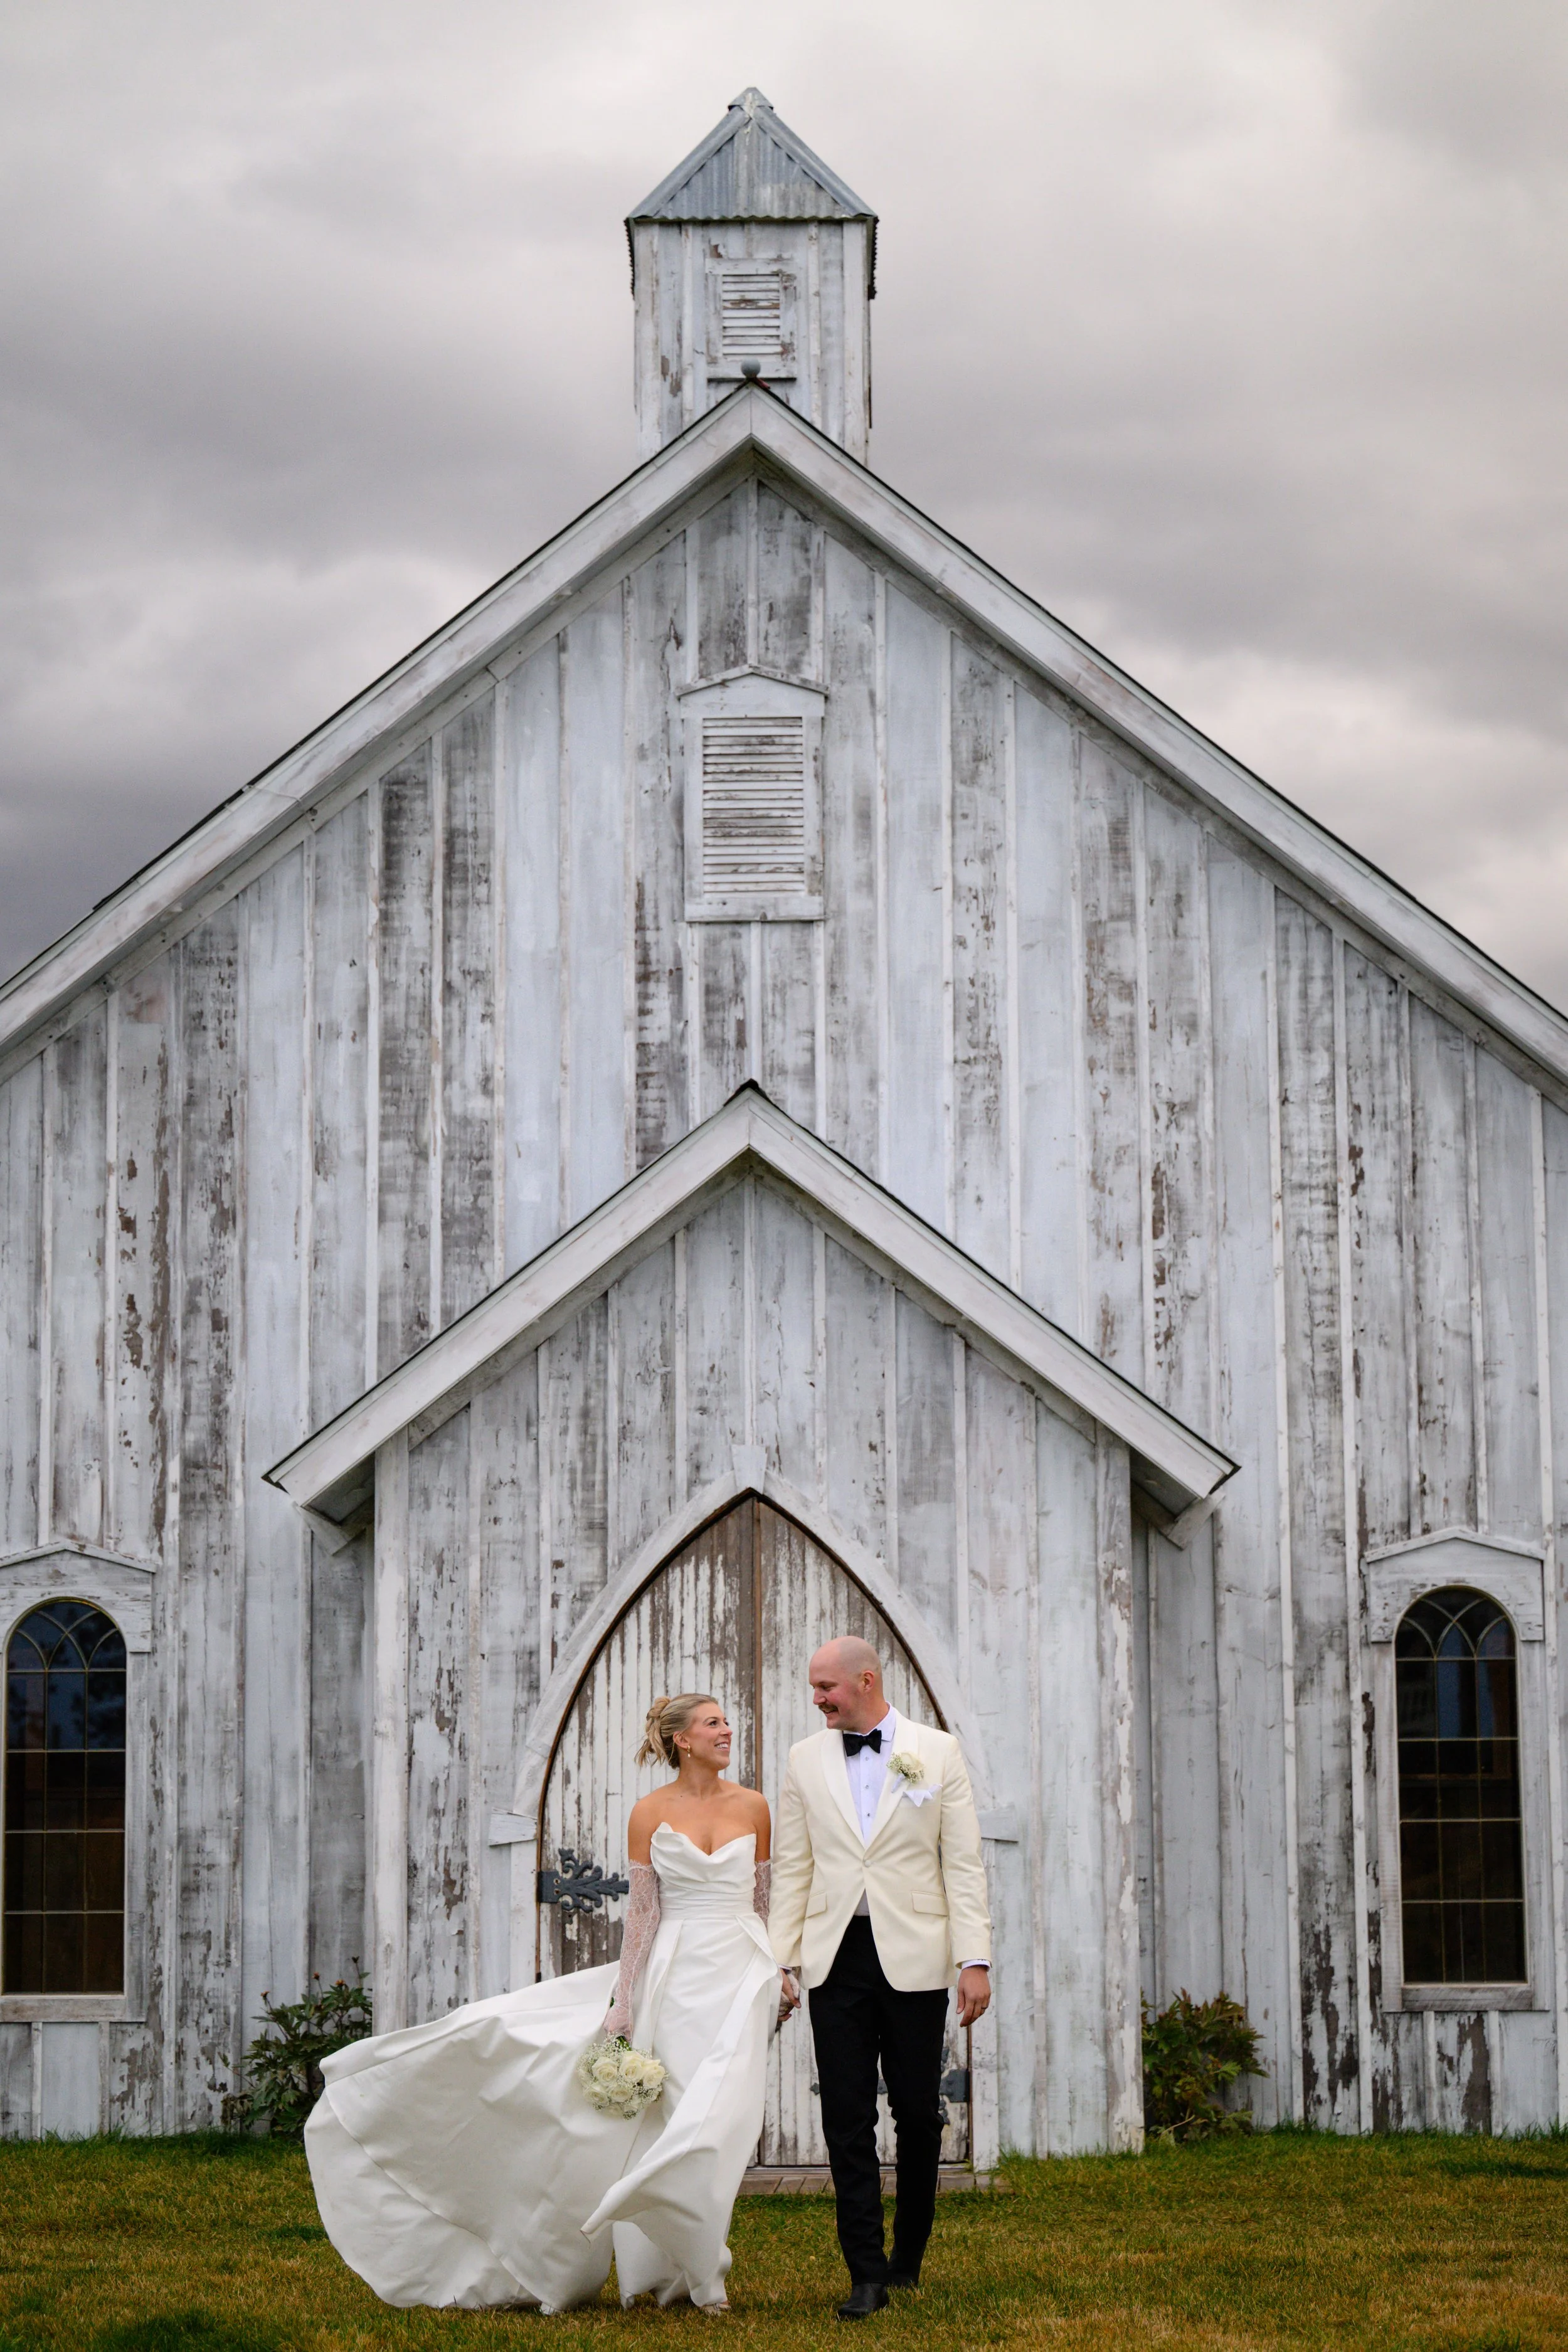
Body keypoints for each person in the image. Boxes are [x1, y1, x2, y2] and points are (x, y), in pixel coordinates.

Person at [305, 1693, 793, 2313]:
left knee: (723, 2123)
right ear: (682, 1741)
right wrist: (623, 2001)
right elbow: (643, 1913)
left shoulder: (753, 1806)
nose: (728, 1731)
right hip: (676, 1975)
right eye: (713, 1724)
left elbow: (763, 1898)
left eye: (725, 1722)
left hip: (740, 1970)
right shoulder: (648, 1812)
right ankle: (688, 2277)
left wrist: (778, 1967)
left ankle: (697, 2257)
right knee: (672, 2118)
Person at [768, 1638, 992, 2319]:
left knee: (918, 2114)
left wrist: (973, 1958)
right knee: (846, 2114)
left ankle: (908, 2258)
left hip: (918, 1956)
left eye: (825, 1688)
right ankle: (865, 2272)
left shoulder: (937, 1751)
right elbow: (793, 1866)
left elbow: (962, 1863)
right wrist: (783, 1959)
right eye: (813, 1689)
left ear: (865, 1680)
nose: (817, 1700)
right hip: (835, 1956)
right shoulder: (803, 1760)